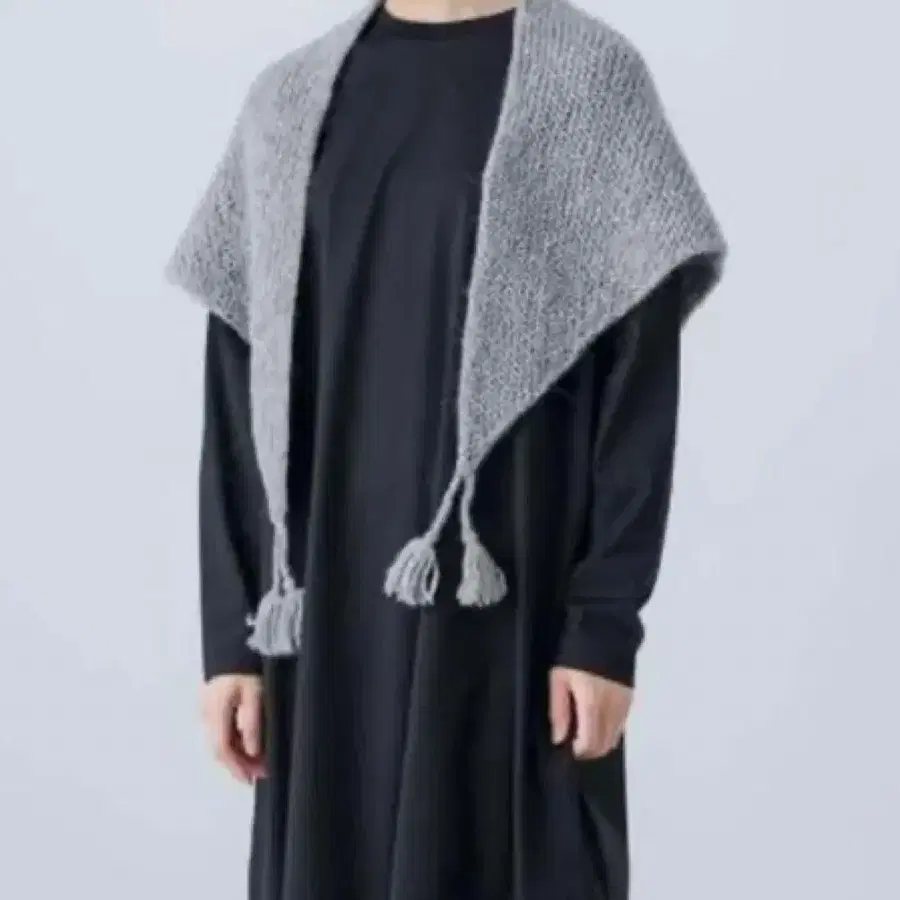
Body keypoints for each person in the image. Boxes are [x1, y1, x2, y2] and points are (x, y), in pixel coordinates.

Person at [166, 1, 727, 898]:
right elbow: (238, 384)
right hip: (326, 610)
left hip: (513, 602)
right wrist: (232, 637)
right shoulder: (289, 98)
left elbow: (639, 383)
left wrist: (603, 624)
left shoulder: (588, 84)